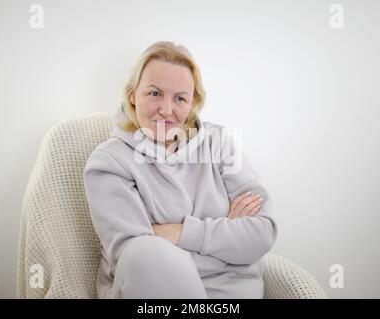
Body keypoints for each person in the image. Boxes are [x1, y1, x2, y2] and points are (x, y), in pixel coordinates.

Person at [83, 41, 278, 299]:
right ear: (132, 94)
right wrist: (228, 243)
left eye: (180, 98)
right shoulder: (109, 162)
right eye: (154, 93)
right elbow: (140, 262)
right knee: (148, 254)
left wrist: (179, 232)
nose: (166, 110)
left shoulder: (219, 143)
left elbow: (262, 234)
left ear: (193, 102)